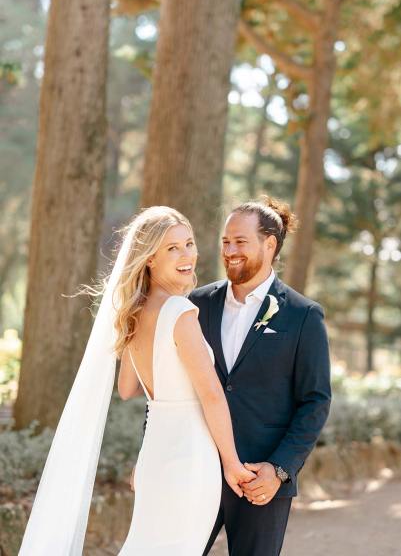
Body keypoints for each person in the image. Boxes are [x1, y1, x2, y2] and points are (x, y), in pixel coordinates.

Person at [18, 206, 254, 556]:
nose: (187, 255)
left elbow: (129, 388)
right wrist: (232, 464)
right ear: (149, 259)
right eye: (172, 248)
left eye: (188, 243)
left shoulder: (135, 314)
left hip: (155, 457)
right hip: (190, 458)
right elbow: (212, 395)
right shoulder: (179, 312)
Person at [189, 196, 332, 556]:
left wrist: (279, 469)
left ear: (270, 244)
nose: (230, 250)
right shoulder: (194, 305)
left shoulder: (303, 316)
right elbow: (168, 390)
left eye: (241, 241)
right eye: (225, 241)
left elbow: (315, 402)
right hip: (194, 468)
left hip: (260, 479)